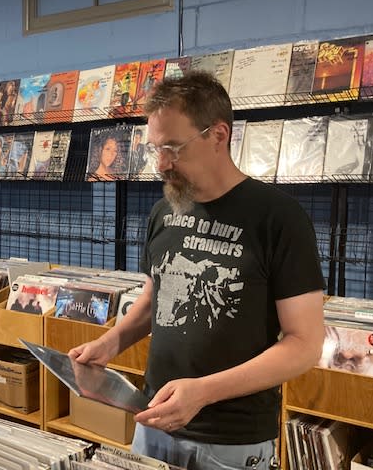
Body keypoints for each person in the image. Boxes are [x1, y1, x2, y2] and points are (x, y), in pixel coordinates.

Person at [69, 71, 325, 469]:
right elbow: (157, 298)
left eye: (174, 147)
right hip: (152, 424)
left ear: (218, 135)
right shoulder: (163, 212)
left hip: (230, 442)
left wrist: (203, 392)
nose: (161, 164)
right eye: (155, 148)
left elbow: (305, 344)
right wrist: (111, 342)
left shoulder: (279, 219)